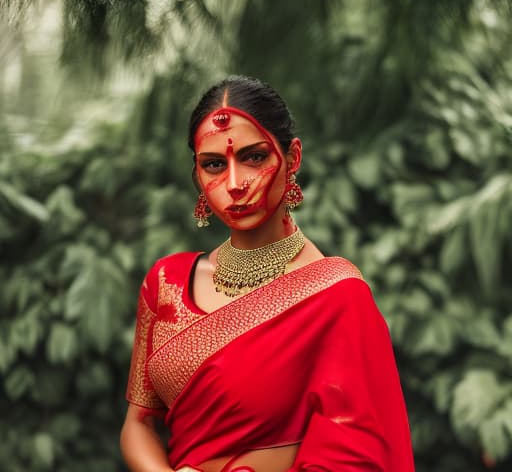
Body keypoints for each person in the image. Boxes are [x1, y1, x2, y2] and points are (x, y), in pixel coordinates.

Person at [120, 75, 415, 472]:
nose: (235, 184)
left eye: (254, 157)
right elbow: (138, 425)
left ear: (292, 157)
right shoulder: (165, 282)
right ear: (196, 174)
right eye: (213, 165)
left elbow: (358, 455)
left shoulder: (335, 294)